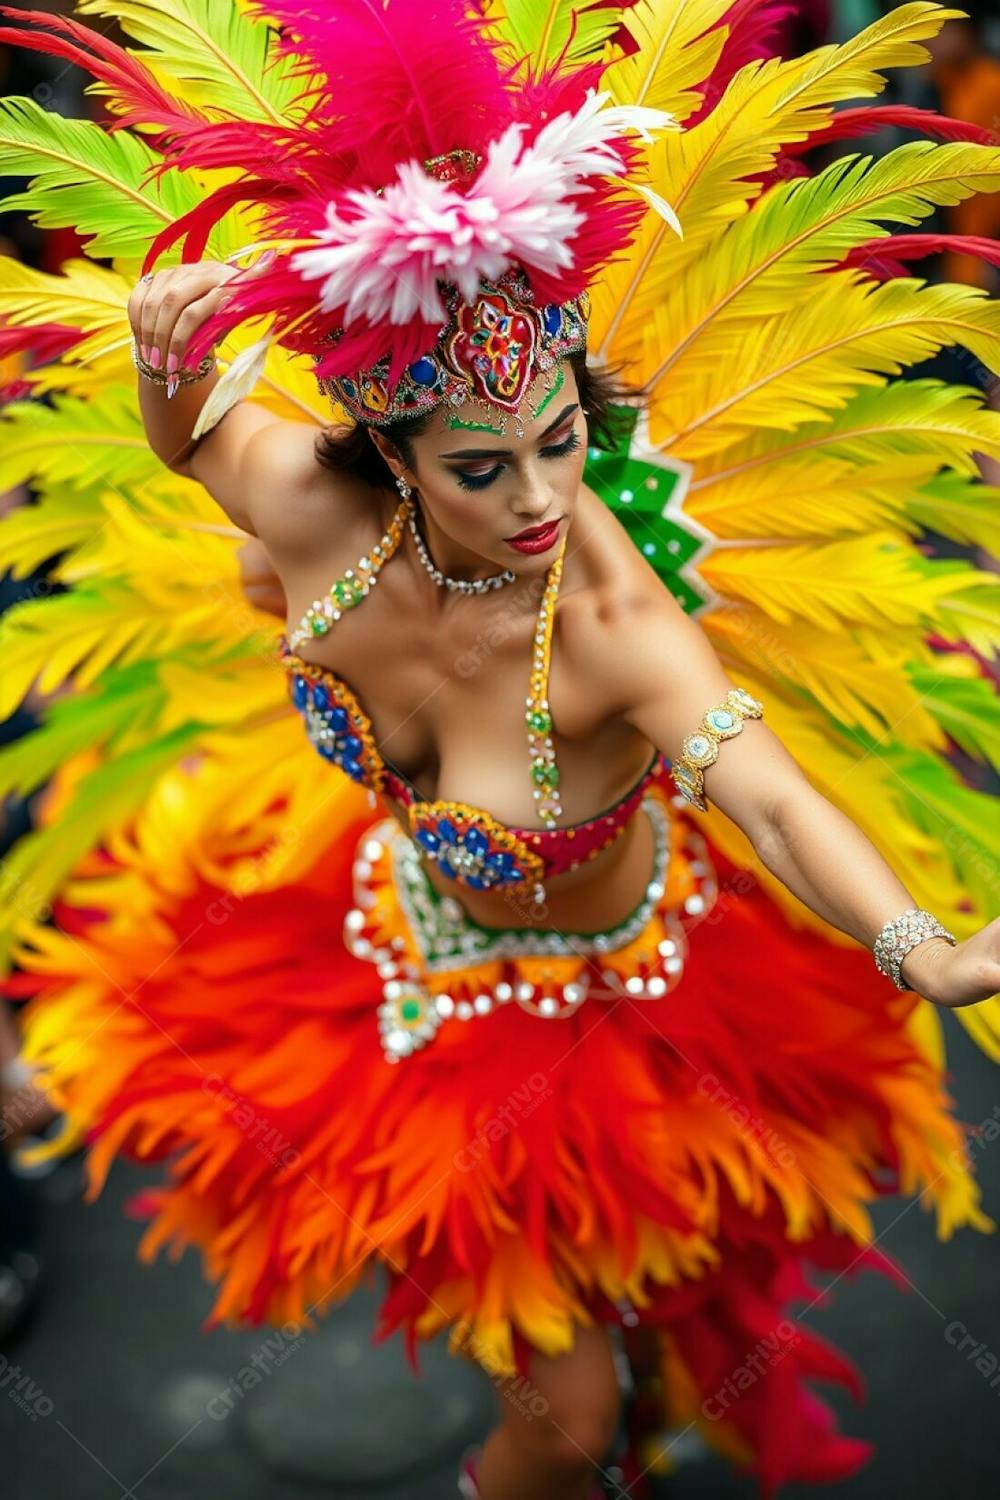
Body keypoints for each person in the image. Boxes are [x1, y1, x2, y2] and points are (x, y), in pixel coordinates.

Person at [3, 3, 1000, 1497]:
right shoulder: (307, 509)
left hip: (648, 1004)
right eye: (483, 466)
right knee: (569, 1414)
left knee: (668, 1329)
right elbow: (189, 433)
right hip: (406, 981)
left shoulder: (613, 623)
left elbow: (774, 800)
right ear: (383, 454)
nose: (539, 493)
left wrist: (924, 952)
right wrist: (160, 354)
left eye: (560, 439)